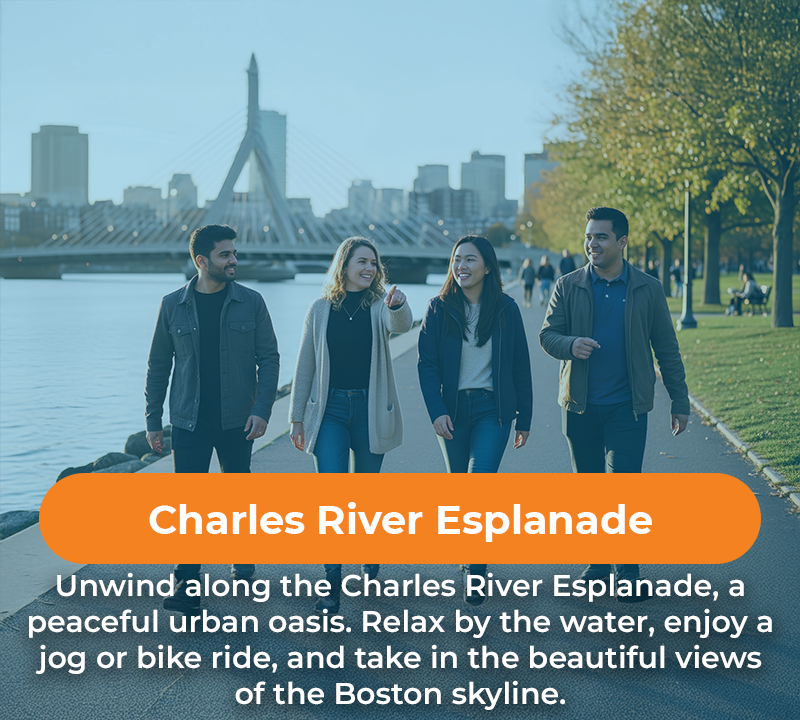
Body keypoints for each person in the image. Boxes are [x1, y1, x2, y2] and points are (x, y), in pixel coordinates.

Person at [539, 207, 690, 603]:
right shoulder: (568, 285)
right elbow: (547, 335)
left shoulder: (647, 288)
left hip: (628, 407)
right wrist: (570, 344)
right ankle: (598, 564)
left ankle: (627, 570)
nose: (592, 244)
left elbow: (666, 347)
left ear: (622, 242)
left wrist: (680, 399)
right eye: (589, 236)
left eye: (601, 237)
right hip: (579, 405)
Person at [145, 224, 280, 613]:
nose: (234, 259)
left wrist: (262, 410)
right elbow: (158, 364)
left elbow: (269, 358)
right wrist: (153, 419)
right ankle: (186, 586)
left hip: (238, 418)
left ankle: (242, 561)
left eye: (234, 253)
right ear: (202, 261)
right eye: (225, 254)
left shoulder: (251, 302)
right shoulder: (172, 304)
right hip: (188, 420)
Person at [289, 236, 412, 614]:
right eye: (361, 262)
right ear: (343, 266)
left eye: (373, 263)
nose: (368, 269)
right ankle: (331, 586)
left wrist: (400, 304)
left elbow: (402, 325)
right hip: (330, 413)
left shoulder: (379, 307)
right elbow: (306, 363)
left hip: (370, 408)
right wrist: (296, 417)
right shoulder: (320, 309)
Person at [418, 236, 532, 605]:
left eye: (470, 259)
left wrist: (525, 417)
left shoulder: (506, 309)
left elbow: (520, 365)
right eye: (457, 260)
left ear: (487, 266)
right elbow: (427, 366)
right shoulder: (438, 308)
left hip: (492, 411)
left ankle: (476, 569)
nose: (462, 266)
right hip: (452, 411)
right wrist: (436, 411)